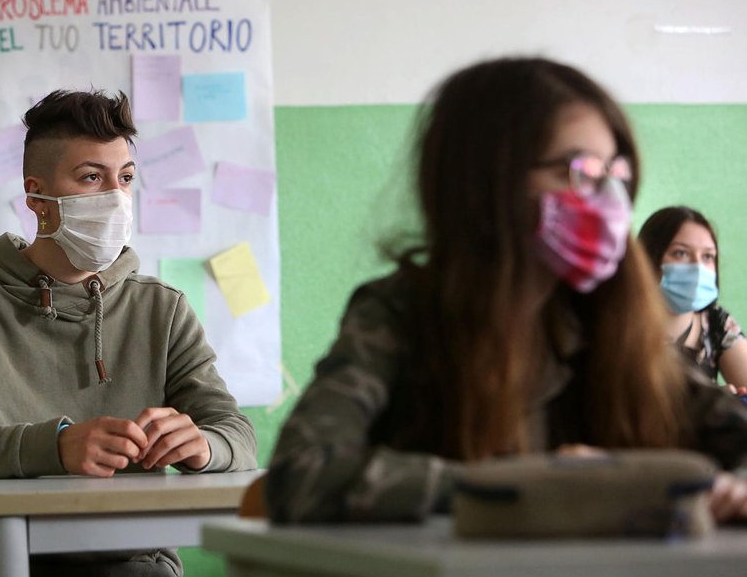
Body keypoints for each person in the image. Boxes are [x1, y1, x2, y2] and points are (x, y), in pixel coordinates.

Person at [264, 57, 747, 526]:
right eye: (578, 171)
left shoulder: (604, 319)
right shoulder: (402, 313)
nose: (610, 202)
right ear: (487, 182)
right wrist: (531, 485)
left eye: (614, 175)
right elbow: (299, 474)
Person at [0, 89, 257, 577]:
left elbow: (238, 436)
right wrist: (55, 447)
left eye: (126, 178)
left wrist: (202, 445)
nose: (116, 195)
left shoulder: (163, 308)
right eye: (92, 178)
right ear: (36, 197)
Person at [638, 206, 747, 393]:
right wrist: (710, 405)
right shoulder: (620, 326)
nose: (698, 267)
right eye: (681, 253)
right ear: (648, 258)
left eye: (707, 256)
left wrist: (734, 407)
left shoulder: (716, 322)